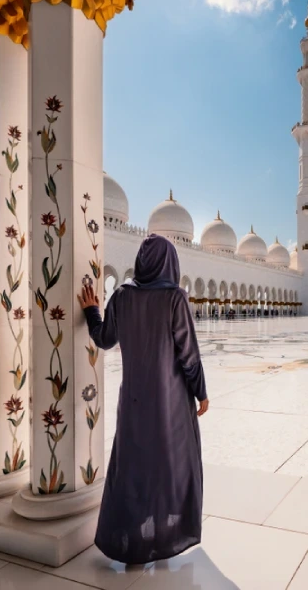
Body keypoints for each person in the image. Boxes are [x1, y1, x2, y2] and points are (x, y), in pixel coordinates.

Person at [78, 234, 209, 565]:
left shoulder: (122, 296)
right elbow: (188, 354)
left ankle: (130, 541)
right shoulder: (175, 298)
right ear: (170, 263)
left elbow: (104, 339)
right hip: (172, 402)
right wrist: (201, 391)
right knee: (171, 466)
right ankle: (166, 537)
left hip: (134, 402)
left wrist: (92, 310)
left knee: (134, 467)